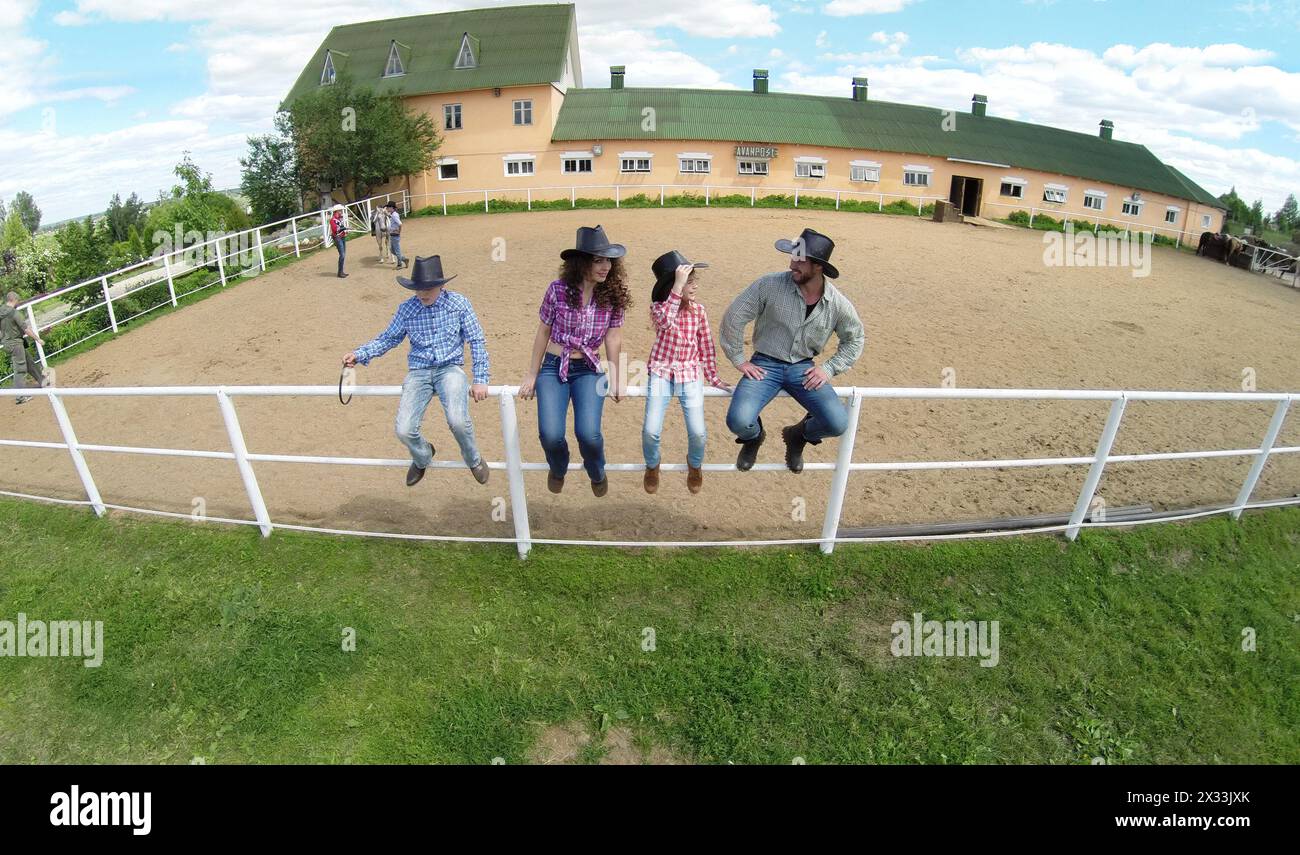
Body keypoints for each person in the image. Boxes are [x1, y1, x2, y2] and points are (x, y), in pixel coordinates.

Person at [720, 227, 865, 473]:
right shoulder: (768, 285)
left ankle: (799, 435)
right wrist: (739, 359)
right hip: (764, 365)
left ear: (818, 266)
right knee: (739, 421)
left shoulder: (837, 304)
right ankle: (754, 437)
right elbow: (733, 317)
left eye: (799, 259)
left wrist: (829, 368)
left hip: (803, 369)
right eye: (792, 257)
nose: (791, 264)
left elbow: (855, 338)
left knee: (838, 423)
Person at [343, 256, 490, 486]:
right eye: (418, 288)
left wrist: (480, 379)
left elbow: (477, 340)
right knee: (404, 429)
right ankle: (423, 456)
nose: (423, 293)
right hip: (418, 371)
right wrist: (359, 354)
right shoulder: (406, 309)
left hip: (450, 368)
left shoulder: (460, 304)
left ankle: (474, 459)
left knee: (457, 420)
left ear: (442, 285)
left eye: (429, 288)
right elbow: (388, 338)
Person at [518, 225, 629, 496]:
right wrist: (532, 374)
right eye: (598, 260)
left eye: (608, 261)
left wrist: (617, 377)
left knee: (589, 434)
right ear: (581, 263)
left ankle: (596, 471)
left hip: (589, 369)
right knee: (550, 434)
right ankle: (558, 467)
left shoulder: (613, 295)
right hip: (554, 367)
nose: (606, 267)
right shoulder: (557, 289)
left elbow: (613, 338)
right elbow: (543, 331)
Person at [642, 251, 731, 495]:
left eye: (693, 281)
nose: (694, 286)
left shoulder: (699, 311)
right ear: (674, 286)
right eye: (688, 282)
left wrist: (713, 377)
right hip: (661, 371)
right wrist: (678, 285)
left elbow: (706, 345)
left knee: (698, 431)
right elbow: (665, 323)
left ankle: (695, 465)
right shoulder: (659, 308)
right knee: (651, 429)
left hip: (690, 373)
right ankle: (652, 466)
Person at [1, 291, 48, 405]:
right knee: (20, 369)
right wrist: (38, 339)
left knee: (29, 363)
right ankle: (20, 396)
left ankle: (43, 382)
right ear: (15, 300)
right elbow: (26, 328)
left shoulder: (1, 311)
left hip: (8, 343)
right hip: (16, 343)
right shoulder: (14, 313)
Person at [385, 201, 408, 269]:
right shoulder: (393, 214)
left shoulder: (394, 215)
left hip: (395, 235)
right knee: (392, 250)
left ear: (392, 208)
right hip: (392, 235)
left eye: (388, 207)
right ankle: (404, 259)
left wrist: (398, 231)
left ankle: (399, 264)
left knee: (397, 251)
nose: (387, 208)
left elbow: (400, 224)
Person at [329, 204, 348, 278]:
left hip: (341, 237)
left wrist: (345, 231)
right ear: (337, 211)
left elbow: (340, 228)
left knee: (343, 255)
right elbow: (336, 229)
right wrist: (344, 228)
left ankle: (341, 271)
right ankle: (340, 272)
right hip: (338, 238)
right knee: (342, 255)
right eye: (340, 211)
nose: (341, 212)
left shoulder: (339, 219)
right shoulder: (333, 220)